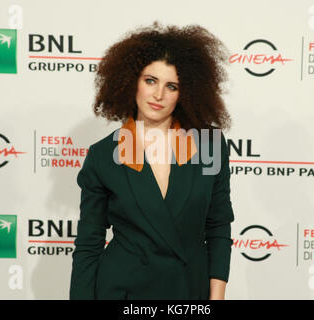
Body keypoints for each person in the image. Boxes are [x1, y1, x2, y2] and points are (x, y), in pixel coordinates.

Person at [70, 21, 235, 300]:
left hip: (187, 292)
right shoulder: (103, 156)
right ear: (130, 80)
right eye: (150, 81)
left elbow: (218, 227)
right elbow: (89, 243)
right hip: (123, 291)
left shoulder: (210, 146)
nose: (159, 95)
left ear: (187, 93)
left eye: (172, 86)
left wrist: (216, 297)